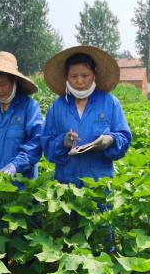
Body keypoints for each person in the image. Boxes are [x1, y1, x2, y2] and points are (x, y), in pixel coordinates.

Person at [41, 45, 131, 187]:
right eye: (74, 76)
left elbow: (125, 138)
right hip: (66, 186)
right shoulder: (57, 107)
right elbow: (47, 147)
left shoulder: (109, 103)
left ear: (94, 75)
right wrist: (62, 143)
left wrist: (110, 140)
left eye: (85, 75)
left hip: (99, 186)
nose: (79, 81)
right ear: (66, 77)